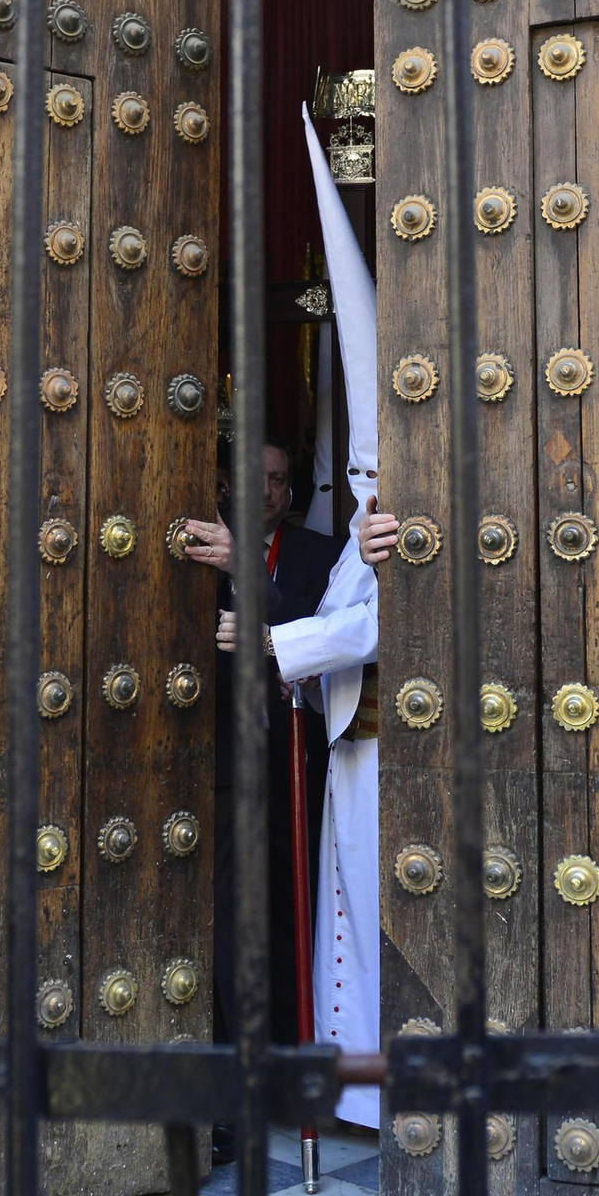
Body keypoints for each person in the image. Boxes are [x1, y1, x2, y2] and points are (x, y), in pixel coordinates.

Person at [216, 108, 385, 1127]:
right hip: (325, 746)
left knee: (360, 918)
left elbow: (355, 622)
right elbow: (339, 611)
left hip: (362, 750)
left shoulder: (377, 525)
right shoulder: (359, 527)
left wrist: (270, 644)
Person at [187, 440, 338, 1049]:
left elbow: (311, 640)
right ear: (225, 485)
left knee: (291, 904)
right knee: (223, 912)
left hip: (295, 759)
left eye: (279, 478)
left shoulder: (325, 557)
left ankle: (286, 1047)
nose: (268, 490)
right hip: (218, 757)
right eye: (255, 478)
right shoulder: (197, 549)